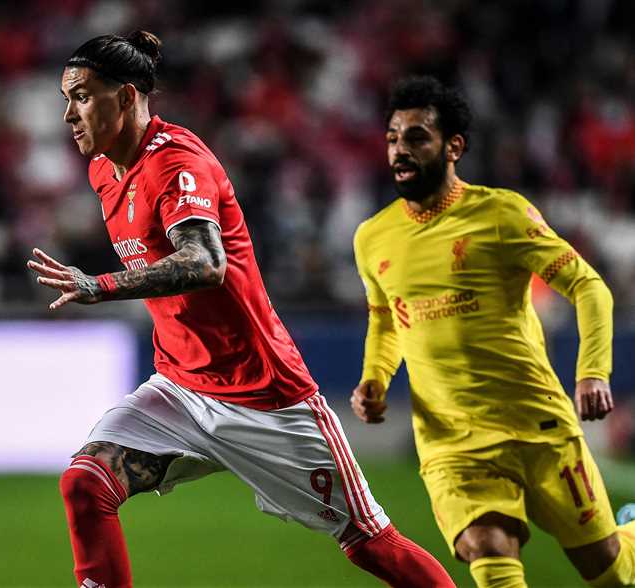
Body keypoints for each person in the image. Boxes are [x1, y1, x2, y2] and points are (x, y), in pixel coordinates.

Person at [28, 31, 454, 588]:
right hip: (181, 389)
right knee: (85, 483)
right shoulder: (104, 169)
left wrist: (99, 285)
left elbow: (206, 263)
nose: (68, 115)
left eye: (82, 97)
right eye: (67, 99)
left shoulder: (176, 163)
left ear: (127, 96)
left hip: (264, 396)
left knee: (371, 544)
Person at [351, 75, 635, 587]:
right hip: (450, 440)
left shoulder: (501, 214)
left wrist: (593, 371)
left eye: (417, 137)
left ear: (454, 147)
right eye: (393, 138)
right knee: (486, 544)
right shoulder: (373, 236)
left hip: (536, 425)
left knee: (608, 570)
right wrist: (375, 376)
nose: (399, 150)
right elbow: (386, 317)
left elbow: (589, 287)